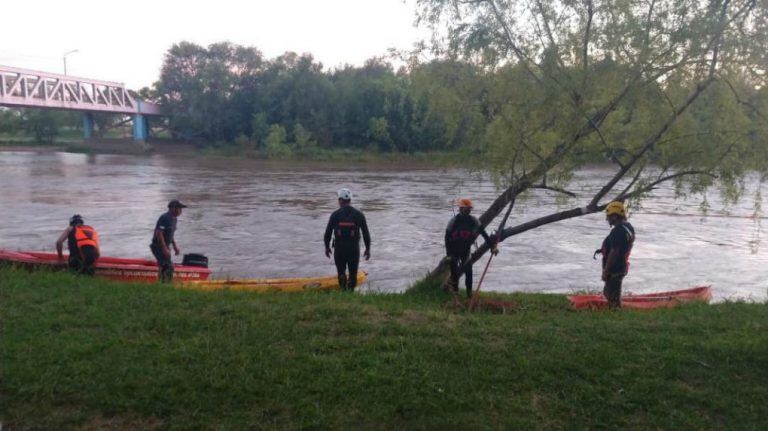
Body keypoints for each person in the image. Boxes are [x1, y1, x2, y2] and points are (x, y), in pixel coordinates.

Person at [445, 199, 498, 298]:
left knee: (469, 273)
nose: (468, 211)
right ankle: (455, 294)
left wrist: (492, 246)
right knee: (454, 272)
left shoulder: (474, 221)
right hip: (454, 250)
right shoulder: (453, 221)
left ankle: (469, 295)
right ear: (461, 209)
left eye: (469, 209)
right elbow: (447, 238)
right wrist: (448, 254)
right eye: (466, 209)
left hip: (465, 250)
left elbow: (484, 234)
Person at [323, 188, 371, 291]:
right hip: (353, 249)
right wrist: (368, 249)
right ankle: (350, 295)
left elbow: (327, 233)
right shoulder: (359, 215)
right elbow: (366, 234)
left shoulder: (335, 215)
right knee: (353, 274)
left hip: (339, 249)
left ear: (340, 200)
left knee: (341, 273)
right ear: (350, 200)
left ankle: (343, 293)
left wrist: (327, 247)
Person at [598, 200, 635, 309]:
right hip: (621, 266)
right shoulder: (628, 227)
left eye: (608, 216)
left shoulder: (618, 231)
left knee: (612, 297)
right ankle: (612, 309)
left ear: (614, 216)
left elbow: (614, 252)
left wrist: (606, 271)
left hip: (615, 269)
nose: (607, 219)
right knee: (610, 293)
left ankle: (615, 313)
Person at [150, 199, 187, 283]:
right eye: (179, 208)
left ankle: (164, 283)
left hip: (166, 246)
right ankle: (164, 284)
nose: (180, 211)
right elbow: (159, 233)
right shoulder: (165, 217)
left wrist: (175, 246)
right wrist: (164, 249)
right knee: (167, 266)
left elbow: (171, 234)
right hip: (158, 246)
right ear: (172, 208)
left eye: (181, 209)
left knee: (166, 265)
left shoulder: (174, 219)